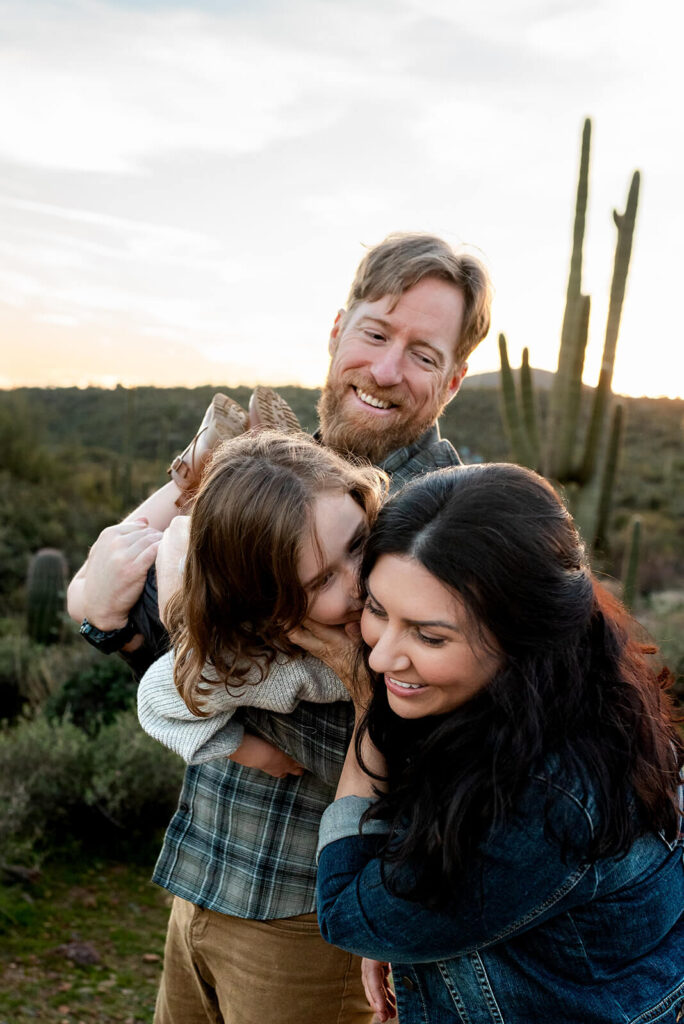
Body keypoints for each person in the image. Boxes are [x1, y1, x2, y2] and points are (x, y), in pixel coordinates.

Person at [67, 232, 493, 1024]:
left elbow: (434, 758)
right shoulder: (270, 474)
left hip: (312, 924)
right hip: (203, 874)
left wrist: (166, 649)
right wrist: (121, 633)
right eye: (375, 334)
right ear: (338, 331)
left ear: (454, 379)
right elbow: (174, 640)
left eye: (424, 354)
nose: (387, 369)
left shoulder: (439, 524)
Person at [313, 463, 684, 1024]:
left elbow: (346, 912)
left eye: (429, 635)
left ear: (524, 637)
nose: (381, 656)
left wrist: (366, 703)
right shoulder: (549, 699)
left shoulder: (545, 797)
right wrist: (403, 932)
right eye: (378, 610)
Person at [137, 430, 385, 777]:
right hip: (201, 583)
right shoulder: (254, 667)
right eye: (323, 580)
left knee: (183, 534)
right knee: (163, 576)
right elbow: (155, 703)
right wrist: (255, 754)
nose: (360, 582)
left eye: (358, 542)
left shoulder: (389, 548)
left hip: (233, 547)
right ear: (271, 607)